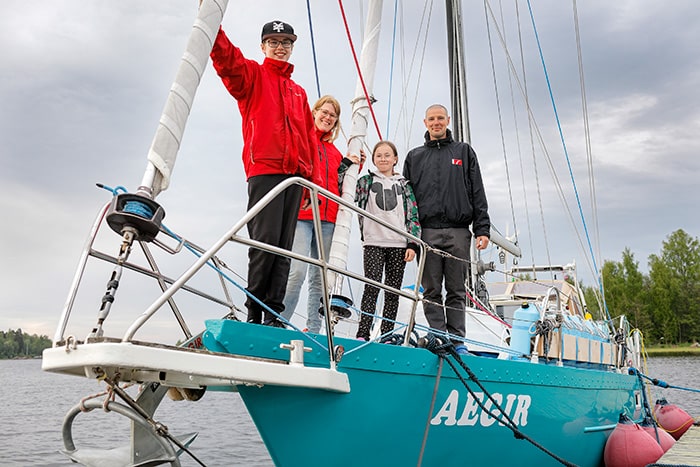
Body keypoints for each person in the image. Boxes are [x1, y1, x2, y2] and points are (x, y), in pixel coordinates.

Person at [209, 20, 320, 327]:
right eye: (273, 41)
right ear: (263, 47)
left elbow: (309, 138)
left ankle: (273, 314)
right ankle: (254, 311)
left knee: (284, 249)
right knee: (264, 243)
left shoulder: (299, 92)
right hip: (265, 171)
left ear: (292, 47)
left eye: (285, 42)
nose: (280, 46)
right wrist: (211, 25)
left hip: (296, 178)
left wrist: (311, 182)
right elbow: (227, 60)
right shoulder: (253, 76)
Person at [403, 104, 490, 351]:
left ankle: (457, 340)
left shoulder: (463, 151)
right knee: (431, 290)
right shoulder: (414, 157)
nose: (436, 122)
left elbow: (477, 191)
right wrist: (410, 238)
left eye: (440, 118)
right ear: (425, 122)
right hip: (427, 232)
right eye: (432, 119)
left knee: (455, 289)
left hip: (458, 231)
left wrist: (482, 228)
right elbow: (407, 200)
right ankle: (439, 337)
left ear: (448, 120)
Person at [280, 95, 362, 333]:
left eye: (333, 115)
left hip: (328, 219)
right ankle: (279, 321)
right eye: (324, 112)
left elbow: (337, 180)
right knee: (297, 270)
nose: (327, 118)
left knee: (320, 278)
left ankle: (313, 329)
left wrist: (350, 165)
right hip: (303, 217)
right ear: (314, 112)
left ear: (336, 122)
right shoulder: (303, 140)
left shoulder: (335, 152)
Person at [355, 141, 421, 341]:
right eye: (378, 155)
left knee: (392, 292)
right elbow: (345, 187)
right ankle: (362, 332)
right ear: (374, 159)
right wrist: (354, 166)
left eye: (387, 155)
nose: (383, 159)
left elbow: (413, 215)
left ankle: (387, 333)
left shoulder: (404, 185)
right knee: (371, 287)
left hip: (398, 244)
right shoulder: (365, 181)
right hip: (373, 242)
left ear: (395, 159)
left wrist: (413, 243)